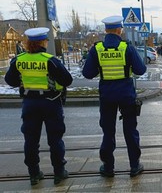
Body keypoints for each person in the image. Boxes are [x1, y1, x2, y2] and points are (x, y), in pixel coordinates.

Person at [5, 27, 73, 185]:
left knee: (30, 139)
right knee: (55, 139)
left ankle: (34, 173)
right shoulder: (49, 60)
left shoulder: (19, 60)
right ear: (42, 42)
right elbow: (67, 80)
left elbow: (10, 81)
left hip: (29, 103)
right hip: (51, 102)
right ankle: (59, 172)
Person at [82, 16, 147, 177]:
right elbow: (141, 70)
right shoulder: (127, 48)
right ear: (120, 30)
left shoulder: (97, 49)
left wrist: (100, 68)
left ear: (106, 30)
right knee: (130, 130)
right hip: (126, 95)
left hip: (107, 96)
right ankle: (134, 166)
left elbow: (87, 73)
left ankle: (108, 167)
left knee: (108, 131)